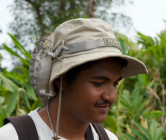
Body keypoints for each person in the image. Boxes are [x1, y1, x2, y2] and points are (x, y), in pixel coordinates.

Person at [0, 18, 148, 140]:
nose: (111, 96)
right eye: (99, 83)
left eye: (115, 83)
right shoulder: (12, 136)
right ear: (61, 80)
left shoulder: (108, 138)